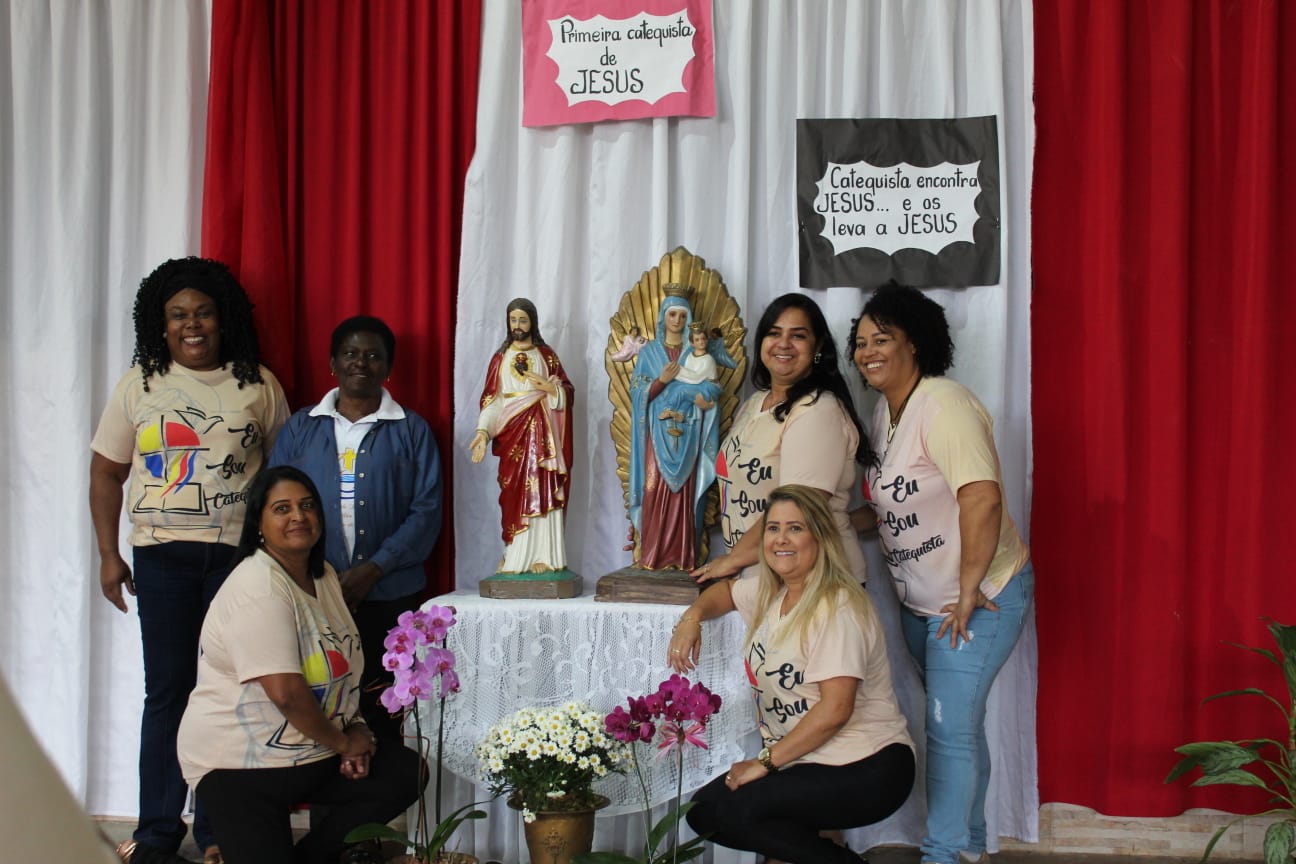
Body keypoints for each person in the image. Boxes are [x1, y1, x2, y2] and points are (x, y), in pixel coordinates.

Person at [90, 256, 289, 864]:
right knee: (169, 692)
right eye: (178, 315)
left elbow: (281, 480)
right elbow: (105, 473)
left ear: (222, 319)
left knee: (229, 694)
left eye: (202, 313)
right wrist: (108, 555)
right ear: (162, 323)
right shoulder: (140, 384)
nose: (192, 325)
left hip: (236, 564)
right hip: (162, 561)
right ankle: (156, 833)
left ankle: (217, 833)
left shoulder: (259, 385)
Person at [850, 284, 1033, 864]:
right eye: (861, 342)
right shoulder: (885, 413)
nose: (868, 352)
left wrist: (969, 589)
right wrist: (827, 525)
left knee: (949, 731)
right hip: (922, 607)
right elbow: (891, 507)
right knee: (959, 727)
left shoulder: (944, 404)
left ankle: (943, 854)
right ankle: (971, 846)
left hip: (977, 600)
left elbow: (981, 497)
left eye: (882, 339)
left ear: (915, 342)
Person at [177, 466, 424, 864]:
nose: (298, 516)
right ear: (258, 524)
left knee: (403, 773)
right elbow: (288, 695)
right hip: (241, 767)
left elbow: (344, 668)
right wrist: (344, 744)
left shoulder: (323, 576)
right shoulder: (257, 587)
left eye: (307, 506)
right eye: (282, 508)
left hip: (310, 751)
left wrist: (356, 728)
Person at [667, 485, 915, 864]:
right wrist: (692, 618)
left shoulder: (837, 606)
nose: (781, 539)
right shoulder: (776, 592)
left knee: (734, 812)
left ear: (820, 536)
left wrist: (764, 763)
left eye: (795, 528)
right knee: (705, 811)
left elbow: (835, 710)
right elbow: (727, 592)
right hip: (810, 760)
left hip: (868, 765)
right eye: (773, 528)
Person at [269, 315, 443, 744]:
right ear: (333, 363)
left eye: (372, 355)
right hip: (313, 591)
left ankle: (383, 782)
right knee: (323, 693)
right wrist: (322, 575)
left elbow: (426, 512)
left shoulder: (412, 430)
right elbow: (275, 504)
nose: (360, 363)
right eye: (350, 353)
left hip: (390, 592)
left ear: (388, 366)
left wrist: (374, 568)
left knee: (385, 701)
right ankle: (331, 776)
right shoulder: (301, 427)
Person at [694, 293, 873, 586]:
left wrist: (731, 561)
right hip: (762, 579)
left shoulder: (817, 410)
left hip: (816, 583)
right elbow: (739, 493)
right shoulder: (754, 404)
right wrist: (671, 529)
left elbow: (798, 507)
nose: (783, 343)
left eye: (798, 336)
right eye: (774, 333)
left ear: (818, 347)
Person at [469, 298, 574, 573]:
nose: (517, 325)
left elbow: (567, 391)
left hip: (543, 437)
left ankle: (545, 556)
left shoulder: (546, 355)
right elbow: (493, 402)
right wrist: (483, 432)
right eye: (513, 320)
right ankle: (514, 554)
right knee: (513, 494)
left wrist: (551, 390)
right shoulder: (500, 358)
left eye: (523, 320)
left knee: (544, 488)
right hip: (512, 435)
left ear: (532, 322)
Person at [627, 288, 722, 570]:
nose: (677, 320)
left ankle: (682, 557)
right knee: (653, 488)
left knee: (684, 495)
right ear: (663, 318)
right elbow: (637, 392)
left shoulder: (696, 353)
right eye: (672, 315)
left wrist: (705, 399)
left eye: (682, 315)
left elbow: (712, 385)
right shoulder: (650, 352)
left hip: (688, 431)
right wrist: (661, 381)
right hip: (656, 434)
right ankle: (652, 555)